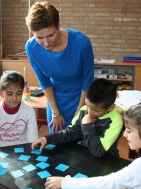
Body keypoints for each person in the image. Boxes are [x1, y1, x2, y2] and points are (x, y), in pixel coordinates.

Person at [44, 100, 141, 189]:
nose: (124, 135)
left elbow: (108, 183)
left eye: (129, 131)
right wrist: (136, 188)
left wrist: (65, 183)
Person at [25, 1, 94, 132]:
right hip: (55, 99)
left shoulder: (82, 43)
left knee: (80, 142)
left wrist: (80, 110)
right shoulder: (31, 47)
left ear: (58, 25)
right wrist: (55, 112)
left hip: (82, 97)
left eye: (51, 35)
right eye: (39, 37)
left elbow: (88, 80)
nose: (45, 43)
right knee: (56, 144)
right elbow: (44, 82)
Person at [32, 78, 123, 158]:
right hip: (84, 157)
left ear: (110, 107)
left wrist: (88, 126)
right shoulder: (84, 110)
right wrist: (48, 139)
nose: (89, 111)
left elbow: (97, 151)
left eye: (95, 110)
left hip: (107, 161)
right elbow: (71, 133)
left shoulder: (115, 121)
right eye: (87, 105)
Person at [0, 71, 39, 148]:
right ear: (1, 93)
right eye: (9, 94)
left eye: (19, 93)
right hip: (2, 151)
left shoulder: (29, 111)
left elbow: (33, 140)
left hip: (24, 149)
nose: (14, 98)